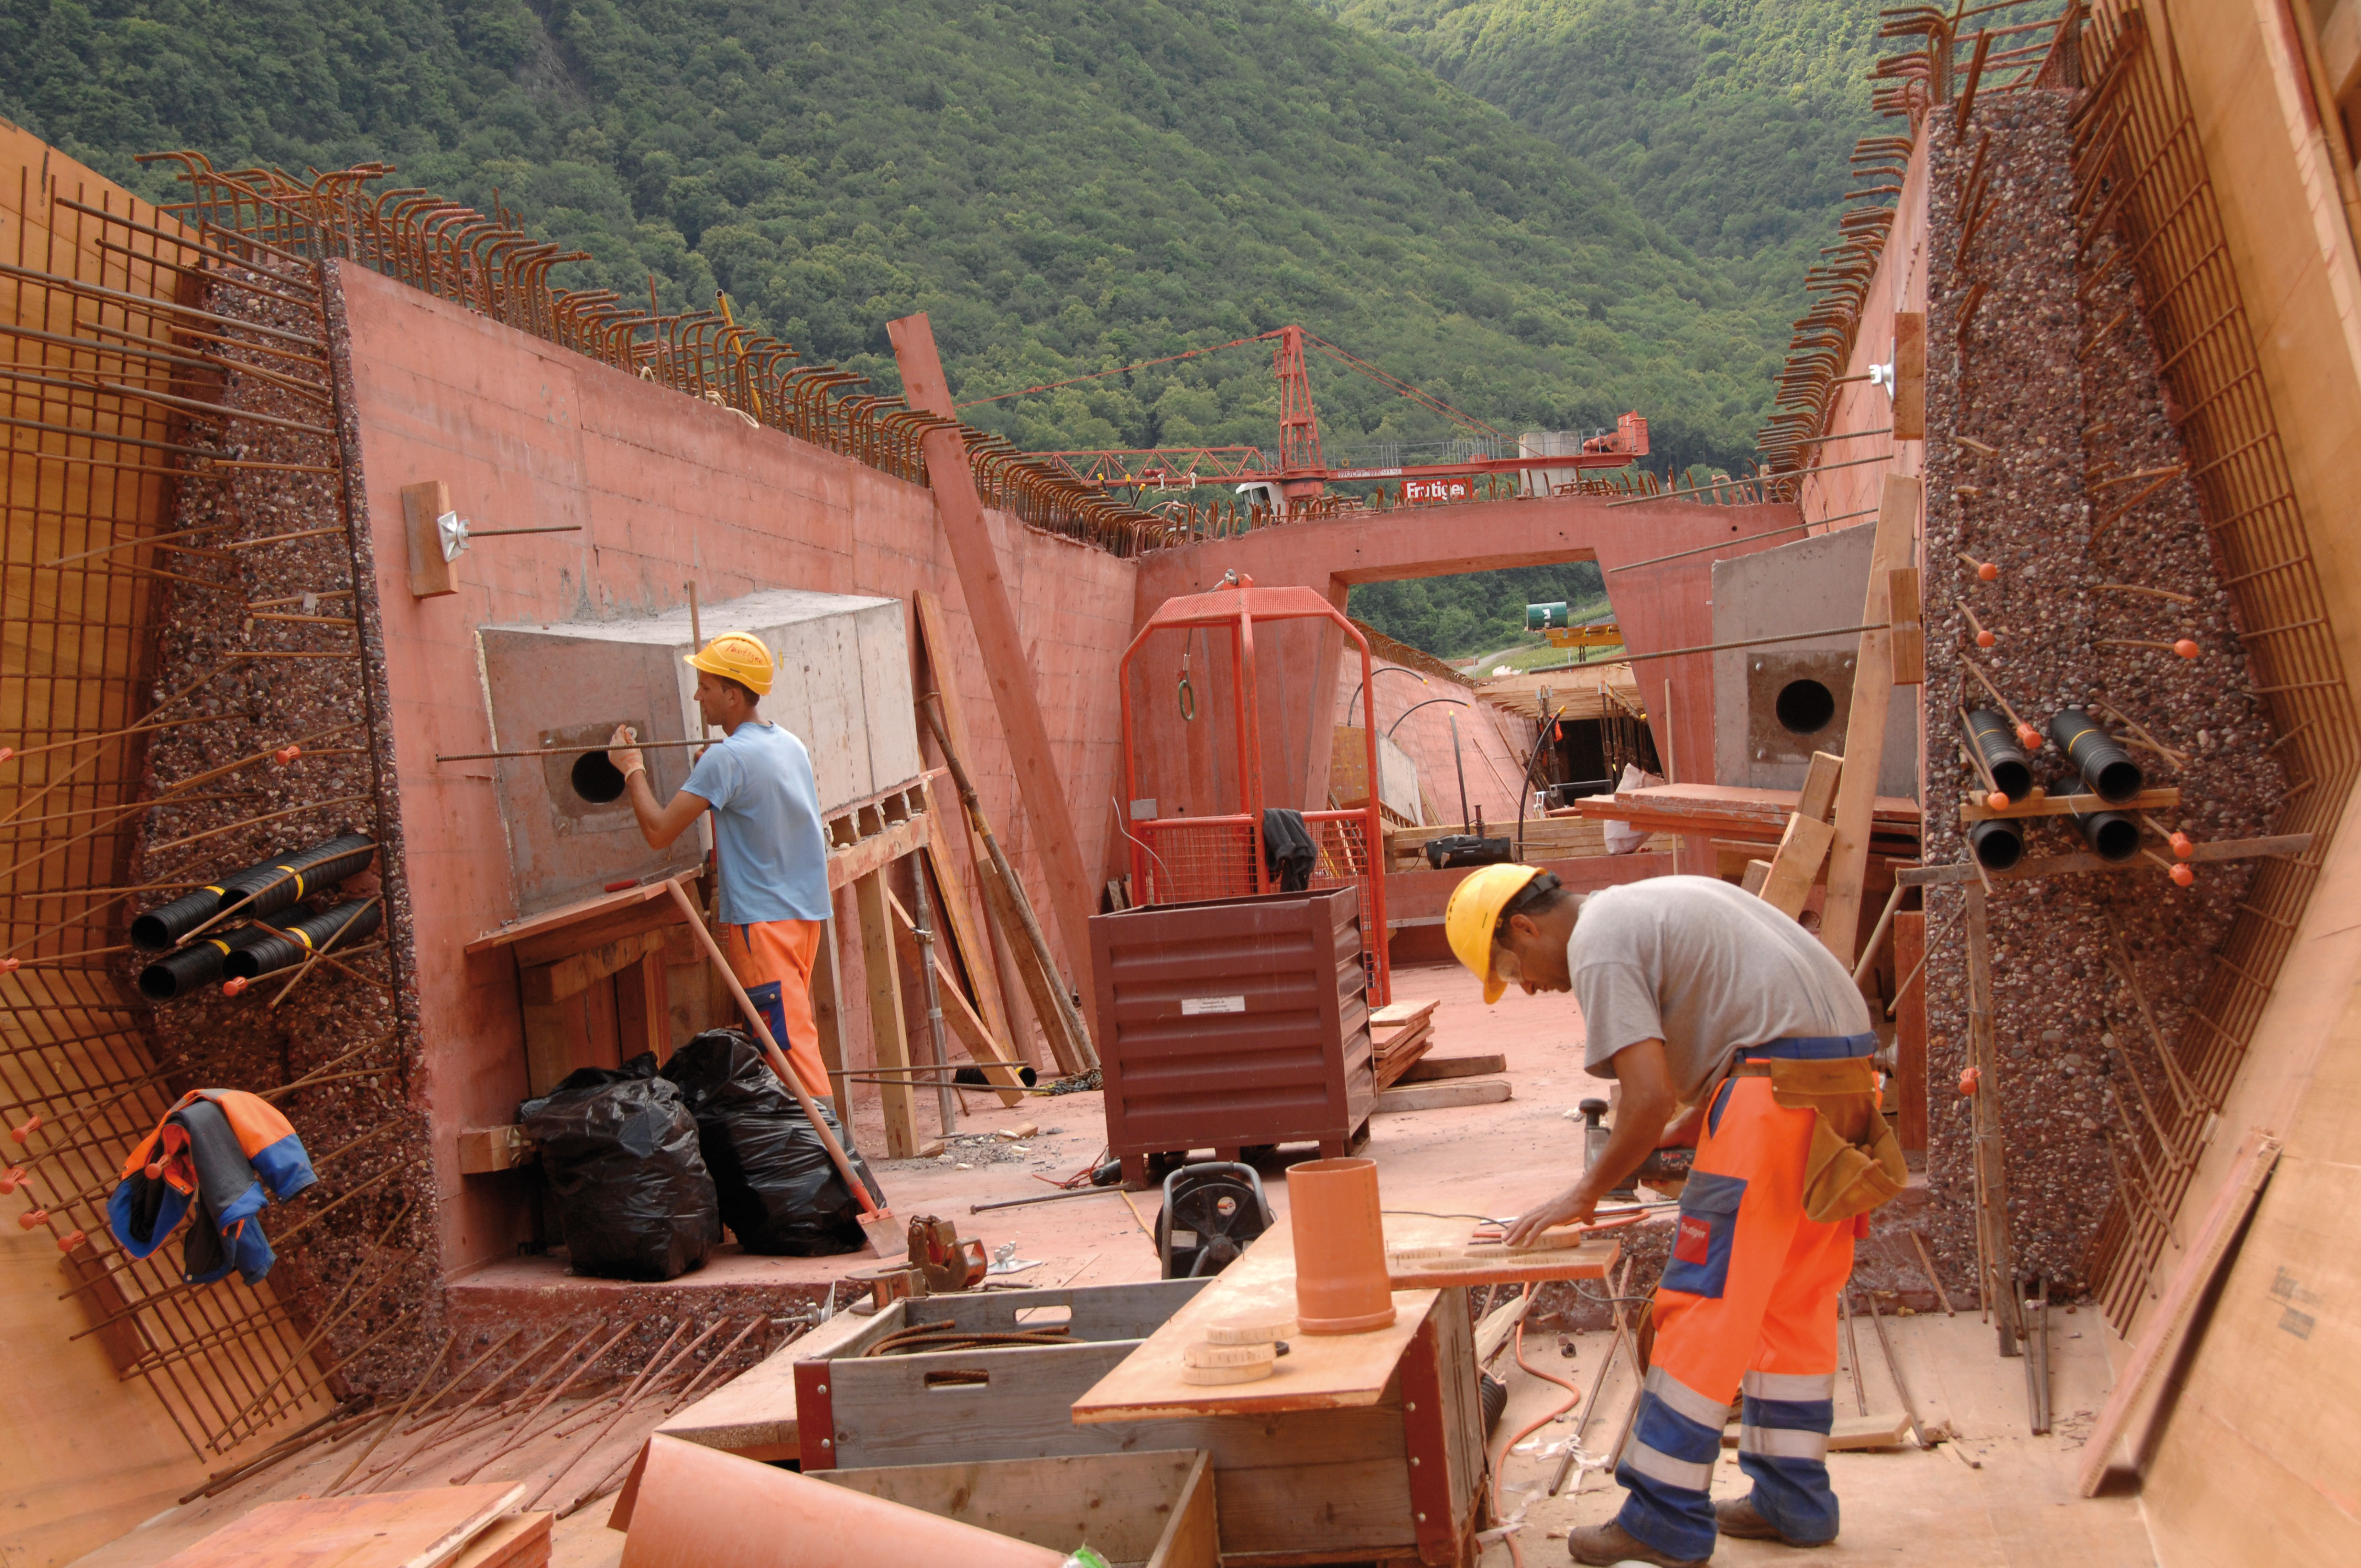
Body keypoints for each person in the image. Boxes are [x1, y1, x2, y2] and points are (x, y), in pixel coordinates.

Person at [1443, 867, 1906, 1568]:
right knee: (1793, 1303)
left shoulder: (1597, 941)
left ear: (1525, 926)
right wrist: (1683, 1131)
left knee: (1700, 1305)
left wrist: (1584, 1191)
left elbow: (1649, 1094)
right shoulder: (1652, 900)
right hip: (1844, 1087)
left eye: (1515, 969)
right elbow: (1733, 1042)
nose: (1531, 985)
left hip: (1770, 1098)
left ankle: (1661, 1518)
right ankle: (1796, 1501)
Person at [608, 631, 834, 1102]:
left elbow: (658, 832)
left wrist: (632, 768)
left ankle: (836, 1167)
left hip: (761, 925)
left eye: (706, 687)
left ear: (733, 694)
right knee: (787, 1040)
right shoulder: (789, 744)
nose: (697, 696)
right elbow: (759, 808)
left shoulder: (728, 759)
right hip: (802, 916)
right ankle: (817, 1157)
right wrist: (716, 778)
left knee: (790, 1052)